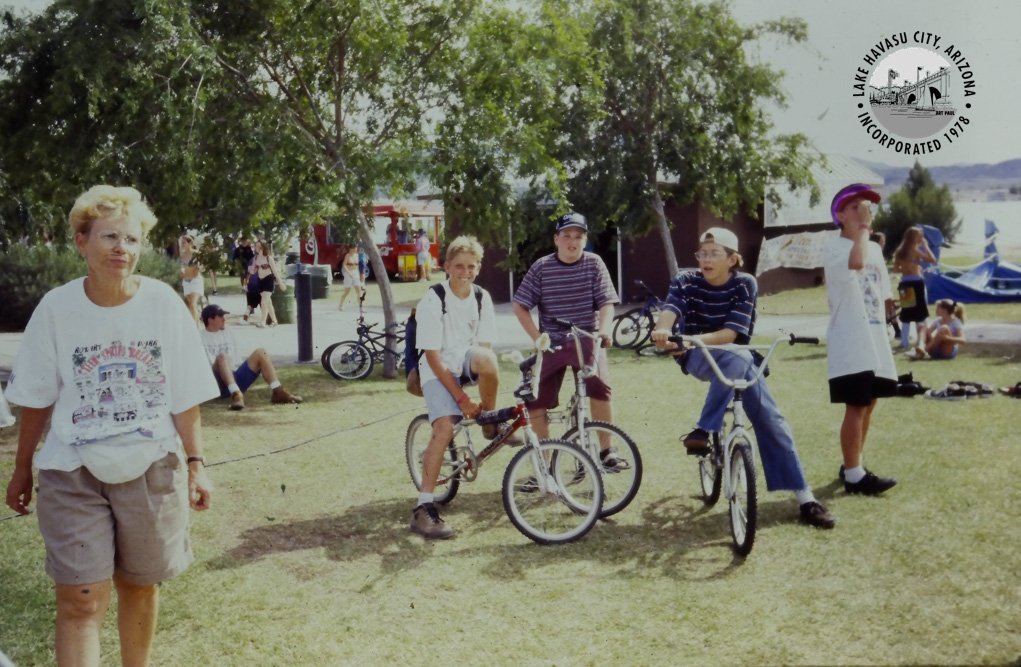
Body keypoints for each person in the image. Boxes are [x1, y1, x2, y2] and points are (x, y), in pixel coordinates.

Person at [3, 185, 220, 666]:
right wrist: (21, 468)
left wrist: (197, 464)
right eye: (109, 236)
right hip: (72, 470)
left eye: (132, 238)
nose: (122, 248)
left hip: (151, 467)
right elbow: (37, 399)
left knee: (139, 586)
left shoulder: (163, 304)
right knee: (80, 598)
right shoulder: (56, 309)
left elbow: (184, 394)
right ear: (81, 242)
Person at [650, 228, 835, 529]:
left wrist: (689, 338)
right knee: (739, 358)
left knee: (773, 420)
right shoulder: (686, 281)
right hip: (698, 357)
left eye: (714, 253)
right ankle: (705, 429)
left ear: (733, 259)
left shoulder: (744, 284)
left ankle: (806, 499)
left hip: (738, 357)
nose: (706, 259)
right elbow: (669, 313)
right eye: (702, 253)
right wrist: (662, 331)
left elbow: (730, 335)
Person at [512, 212, 625, 468]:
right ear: (556, 239)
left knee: (599, 385)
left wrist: (603, 331)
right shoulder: (541, 267)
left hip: (585, 336)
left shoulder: (594, 263)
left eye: (578, 237)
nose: (572, 242)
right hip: (552, 341)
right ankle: (544, 464)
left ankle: (607, 451)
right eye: (567, 236)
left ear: (585, 240)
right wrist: (537, 337)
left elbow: (606, 303)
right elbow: (520, 305)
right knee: (536, 398)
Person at [410, 235, 505, 539]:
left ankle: (489, 422)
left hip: (463, 360)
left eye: (471, 266)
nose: (466, 272)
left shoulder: (481, 297)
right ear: (447, 266)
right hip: (436, 368)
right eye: (459, 266)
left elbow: (485, 349)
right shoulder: (433, 300)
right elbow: (433, 358)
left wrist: (481, 394)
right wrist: (463, 399)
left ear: (479, 267)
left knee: (489, 359)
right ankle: (423, 508)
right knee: (444, 429)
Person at [824, 183, 899, 496]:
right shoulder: (835, 247)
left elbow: (883, 293)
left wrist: (891, 321)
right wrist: (865, 230)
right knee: (856, 404)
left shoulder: (875, 249)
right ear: (840, 215)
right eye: (855, 207)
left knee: (870, 401)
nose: (864, 212)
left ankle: (852, 464)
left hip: (874, 337)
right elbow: (855, 263)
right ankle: (855, 477)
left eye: (866, 207)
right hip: (850, 339)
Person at [198, 304, 302, 410]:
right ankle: (236, 394)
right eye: (220, 316)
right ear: (210, 320)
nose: (224, 319)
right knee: (222, 356)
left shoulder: (228, 332)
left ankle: (278, 391)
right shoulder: (200, 336)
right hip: (217, 381)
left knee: (261, 352)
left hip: (234, 376)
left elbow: (236, 361)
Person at [892, 226, 937, 349]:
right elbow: (932, 259)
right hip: (917, 282)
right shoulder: (915, 250)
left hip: (905, 282)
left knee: (906, 313)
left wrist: (909, 267)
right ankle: (921, 341)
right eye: (919, 236)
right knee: (920, 313)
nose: (921, 238)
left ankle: (904, 342)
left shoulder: (899, 251)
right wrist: (926, 246)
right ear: (913, 237)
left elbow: (896, 269)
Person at [252, 239, 285, 328]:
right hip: (260, 281)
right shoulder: (256, 258)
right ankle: (274, 321)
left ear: (262, 247)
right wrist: (252, 269)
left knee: (263, 302)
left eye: (258, 246)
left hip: (268, 280)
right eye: (255, 246)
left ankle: (263, 322)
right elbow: (253, 270)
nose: (256, 248)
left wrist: (280, 283)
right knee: (268, 302)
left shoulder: (268, 258)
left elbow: (275, 271)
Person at [178, 234, 203, 327]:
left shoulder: (196, 254)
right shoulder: (182, 255)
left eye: (184, 242)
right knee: (191, 306)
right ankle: (197, 325)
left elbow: (200, 267)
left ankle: (195, 327)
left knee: (193, 304)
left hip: (195, 281)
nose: (182, 245)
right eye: (181, 243)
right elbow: (182, 267)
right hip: (186, 281)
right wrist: (181, 271)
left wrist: (197, 267)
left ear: (190, 243)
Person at [338, 245, 363, 311]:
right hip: (348, 273)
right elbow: (344, 265)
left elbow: (357, 266)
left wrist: (358, 274)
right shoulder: (347, 256)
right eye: (355, 248)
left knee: (359, 291)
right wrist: (349, 273)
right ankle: (341, 304)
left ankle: (361, 307)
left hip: (355, 273)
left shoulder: (356, 255)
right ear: (351, 249)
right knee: (347, 291)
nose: (356, 249)